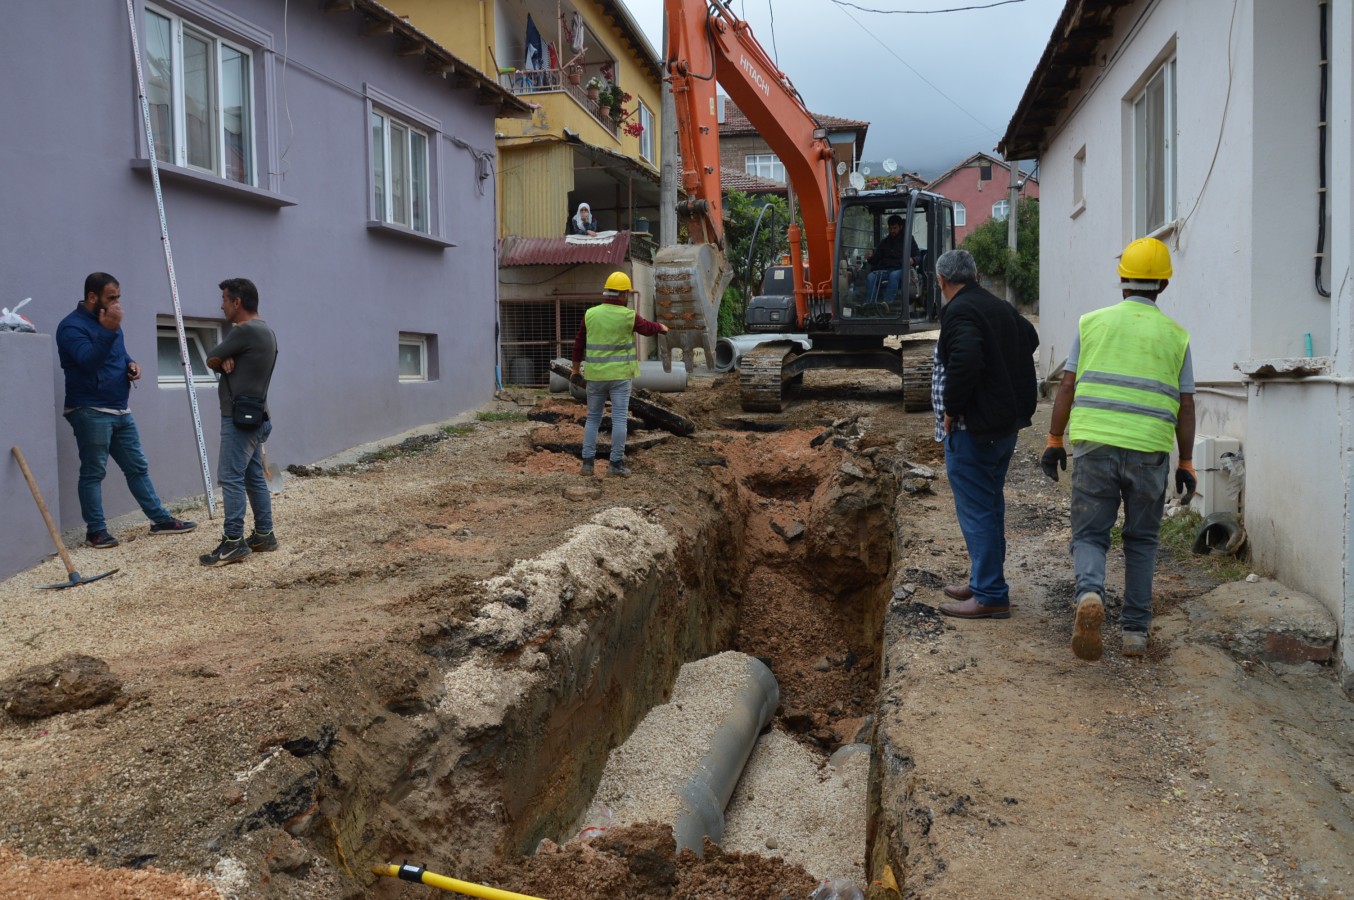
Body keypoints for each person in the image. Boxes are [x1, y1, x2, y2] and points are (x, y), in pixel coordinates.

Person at [1041, 237, 1196, 661]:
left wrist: (1054, 440)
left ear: (1122, 281)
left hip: (1095, 446)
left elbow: (1067, 386)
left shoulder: (1092, 323)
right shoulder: (1177, 337)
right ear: (1164, 285)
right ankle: (1134, 633)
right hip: (1149, 451)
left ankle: (1090, 594)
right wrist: (1186, 461)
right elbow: (1185, 406)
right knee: (1142, 540)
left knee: (1090, 533)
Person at [932, 249, 1040, 620]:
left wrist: (951, 408)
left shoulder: (960, 310)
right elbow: (1029, 337)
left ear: (942, 281)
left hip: (973, 430)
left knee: (977, 511)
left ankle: (990, 594)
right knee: (990, 506)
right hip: (1001, 427)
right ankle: (983, 580)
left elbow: (965, 360)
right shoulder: (999, 306)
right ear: (975, 274)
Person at [55, 273, 197, 548]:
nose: (117, 304)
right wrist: (108, 330)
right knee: (94, 472)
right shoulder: (71, 327)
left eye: (118, 297)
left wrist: (131, 364)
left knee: (137, 467)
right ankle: (96, 532)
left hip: (120, 408)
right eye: (112, 298)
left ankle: (161, 520)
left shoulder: (109, 322)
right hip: (89, 409)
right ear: (92, 297)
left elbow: (117, 354)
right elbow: (87, 361)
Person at [200, 278, 278, 567]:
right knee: (253, 475)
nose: (221, 306)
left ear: (237, 302)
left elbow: (210, 357)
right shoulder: (266, 330)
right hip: (258, 416)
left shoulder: (244, 331)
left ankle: (233, 541)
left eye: (224, 299)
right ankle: (264, 535)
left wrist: (221, 359)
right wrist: (225, 359)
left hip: (240, 421)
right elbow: (220, 359)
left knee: (230, 477)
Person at [570, 271, 668, 477]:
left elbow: (578, 344)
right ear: (623, 294)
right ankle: (615, 465)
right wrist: (661, 327)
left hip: (595, 377)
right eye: (627, 294)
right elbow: (647, 328)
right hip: (620, 377)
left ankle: (587, 465)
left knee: (593, 419)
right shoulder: (628, 316)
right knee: (620, 419)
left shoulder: (590, 314)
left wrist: (575, 370)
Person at [865, 214, 920, 303]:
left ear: (900, 227)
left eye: (894, 228)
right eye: (890, 228)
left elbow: (918, 256)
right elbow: (875, 259)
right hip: (885, 270)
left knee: (894, 275)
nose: (892, 231)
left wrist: (913, 260)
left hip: (902, 270)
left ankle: (887, 303)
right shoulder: (885, 242)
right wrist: (870, 257)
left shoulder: (908, 240)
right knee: (870, 277)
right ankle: (871, 304)